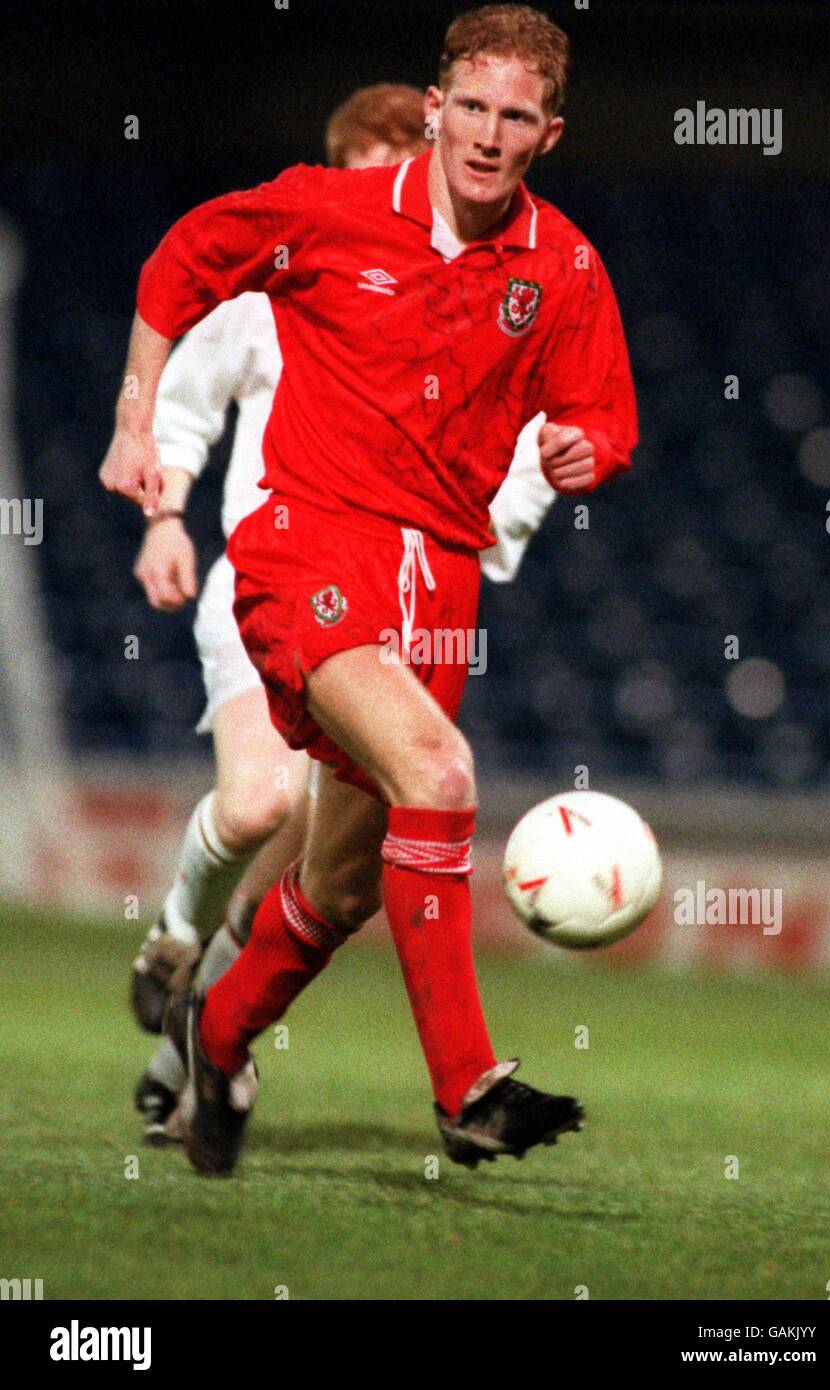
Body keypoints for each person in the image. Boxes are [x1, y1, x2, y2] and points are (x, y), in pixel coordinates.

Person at [101, 3, 638, 1176]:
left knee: (337, 885)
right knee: (438, 773)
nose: (490, 135)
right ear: (437, 108)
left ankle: (218, 1035)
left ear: (550, 131)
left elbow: (603, 413)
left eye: (518, 116)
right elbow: (182, 259)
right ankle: (465, 1088)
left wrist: (584, 450)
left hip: (437, 584)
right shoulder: (329, 209)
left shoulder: (563, 266)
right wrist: (137, 424)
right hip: (306, 548)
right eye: (473, 109)